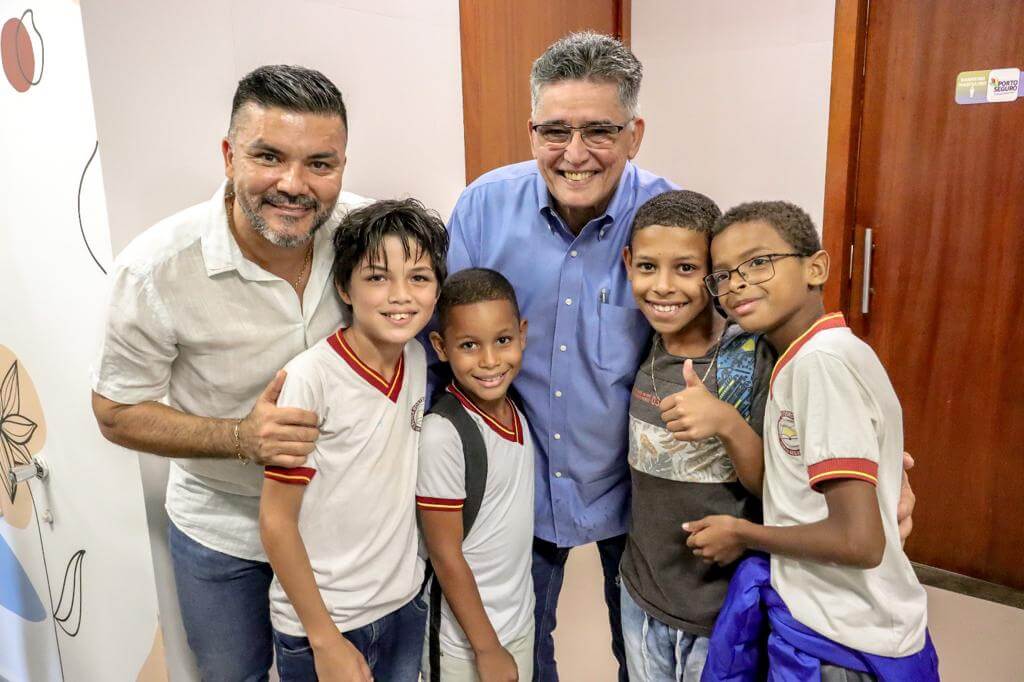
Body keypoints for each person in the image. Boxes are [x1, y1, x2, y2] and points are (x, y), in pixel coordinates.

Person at [90, 65, 365, 679]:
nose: (293, 185)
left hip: (344, 523)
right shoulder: (154, 269)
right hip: (224, 531)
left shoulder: (369, 235)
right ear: (228, 156)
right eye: (269, 156)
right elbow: (115, 412)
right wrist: (240, 438)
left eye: (320, 164)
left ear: (343, 166)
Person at [443, 32, 673, 680]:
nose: (575, 154)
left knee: (648, 660)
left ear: (634, 134)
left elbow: (737, 346)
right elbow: (440, 347)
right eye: (555, 131)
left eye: (599, 130)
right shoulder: (483, 208)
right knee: (517, 654)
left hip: (639, 489)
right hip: (518, 485)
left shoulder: (674, 221)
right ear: (531, 132)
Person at [687, 201, 939, 681]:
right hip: (823, 618)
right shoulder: (802, 357)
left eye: (758, 262)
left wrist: (742, 534)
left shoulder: (821, 364)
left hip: (845, 640)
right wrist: (727, 423)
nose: (737, 283)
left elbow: (859, 541)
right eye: (723, 275)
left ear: (816, 268)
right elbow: (786, 488)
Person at [260, 199, 448, 682]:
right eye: (377, 277)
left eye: (419, 277)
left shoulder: (417, 358)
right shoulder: (310, 379)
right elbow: (276, 521)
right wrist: (324, 639)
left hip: (403, 603)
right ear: (345, 287)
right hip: (326, 623)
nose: (400, 296)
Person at [618, 191, 771, 681]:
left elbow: (771, 484)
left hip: (722, 610)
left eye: (685, 268)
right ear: (628, 263)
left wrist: (726, 422)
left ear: (715, 274)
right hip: (643, 595)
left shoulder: (749, 356)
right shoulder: (637, 342)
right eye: (648, 267)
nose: (663, 287)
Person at [418, 268, 534, 681]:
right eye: (469, 345)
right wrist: (486, 648)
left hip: (517, 623)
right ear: (441, 346)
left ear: (522, 335)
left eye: (502, 341)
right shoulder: (443, 435)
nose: (489, 361)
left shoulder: (516, 410)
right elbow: (445, 555)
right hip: (464, 644)